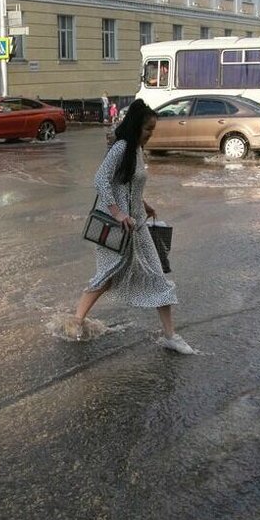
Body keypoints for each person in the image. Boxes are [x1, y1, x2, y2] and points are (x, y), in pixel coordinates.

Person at [68, 99, 196, 354]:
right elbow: (100, 180)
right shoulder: (121, 147)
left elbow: (127, 184)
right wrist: (117, 213)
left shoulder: (136, 149)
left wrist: (144, 204)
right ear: (137, 126)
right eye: (148, 129)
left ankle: (170, 335)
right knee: (106, 277)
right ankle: (76, 321)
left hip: (137, 227)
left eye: (153, 130)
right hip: (118, 229)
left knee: (158, 276)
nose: (151, 134)